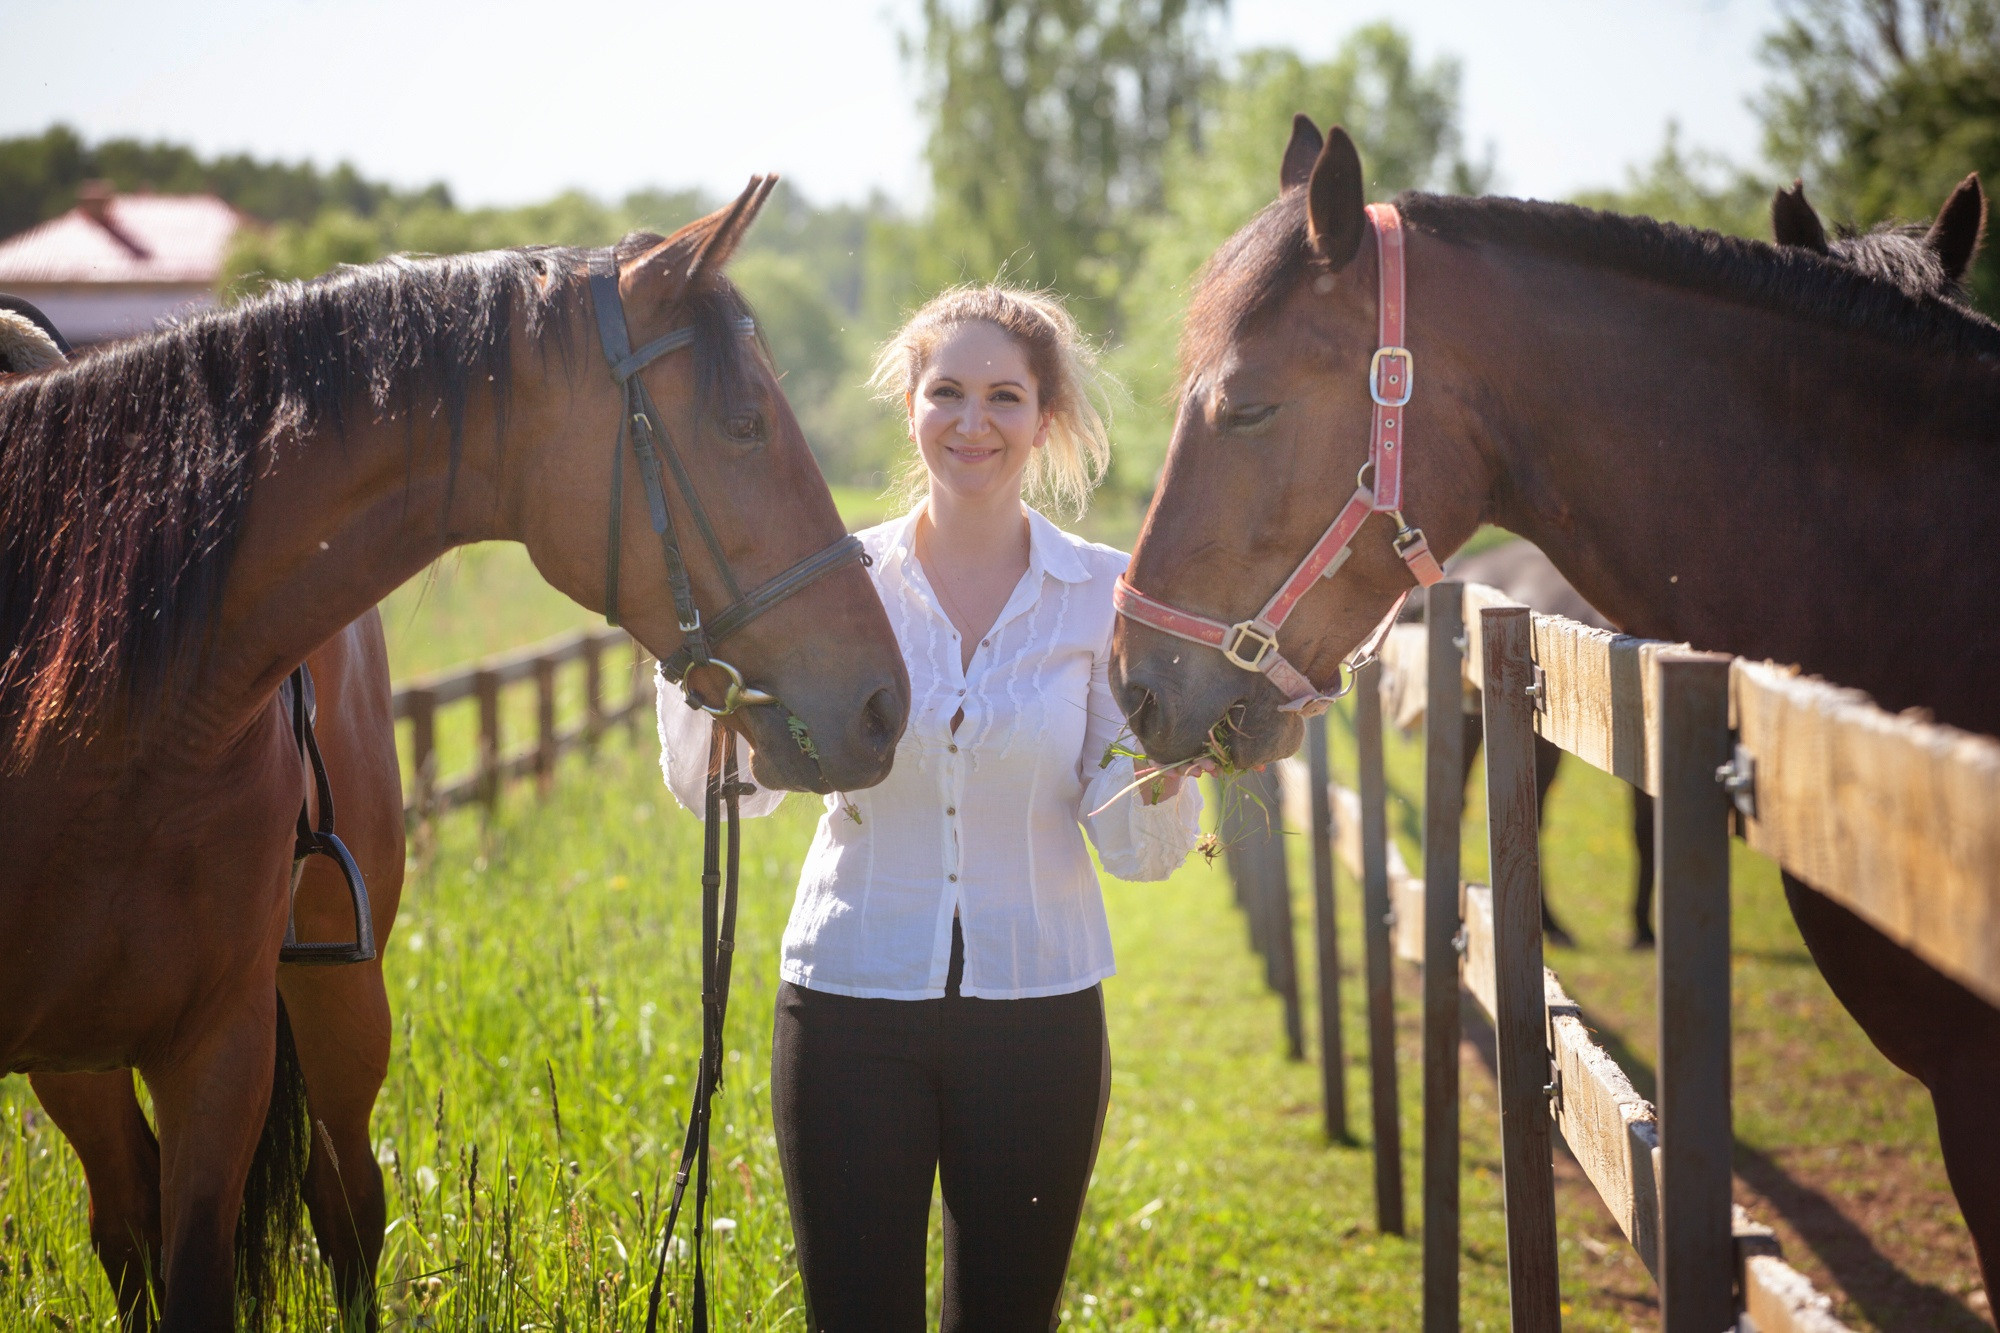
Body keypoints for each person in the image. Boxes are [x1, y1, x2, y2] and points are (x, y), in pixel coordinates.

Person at [656, 284, 1208, 1330]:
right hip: (847, 1003)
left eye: (1004, 396)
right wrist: (694, 661)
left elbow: (1129, 845)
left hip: (1038, 1012)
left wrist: (1171, 766)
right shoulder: (831, 585)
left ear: (1042, 417)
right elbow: (725, 788)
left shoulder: (1104, 595)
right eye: (946, 391)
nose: (972, 421)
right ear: (908, 405)